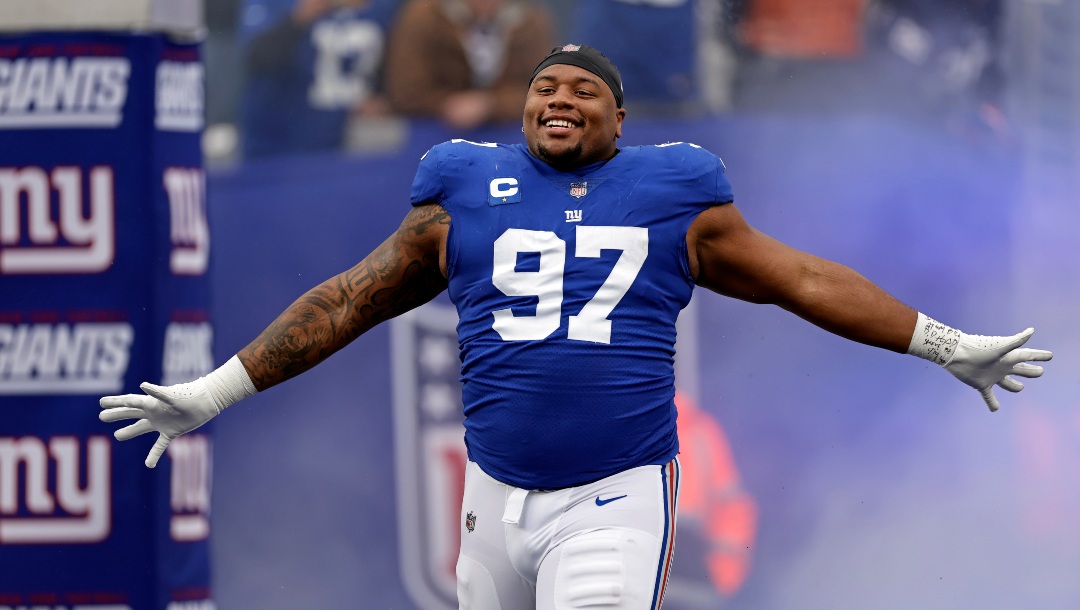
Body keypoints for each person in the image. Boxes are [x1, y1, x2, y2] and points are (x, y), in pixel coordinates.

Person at [99, 44, 1052, 609]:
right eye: (545, 88)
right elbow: (349, 300)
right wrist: (212, 394)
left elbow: (800, 278)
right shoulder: (461, 184)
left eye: (582, 90)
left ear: (620, 119)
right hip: (491, 496)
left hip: (614, 492)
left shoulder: (674, 189)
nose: (559, 98)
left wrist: (945, 344)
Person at [239, 0, 399, 159]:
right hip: (281, 145)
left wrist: (383, 98)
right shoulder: (272, 5)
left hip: (353, 145)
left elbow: (396, 64)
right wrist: (301, 15)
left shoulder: (384, 7)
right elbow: (256, 58)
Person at [382, 0, 554, 130]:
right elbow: (406, 90)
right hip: (430, 132)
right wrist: (446, 104)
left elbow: (543, 89)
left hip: (509, 133)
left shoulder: (529, 20)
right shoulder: (423, 16)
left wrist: (490, 104)